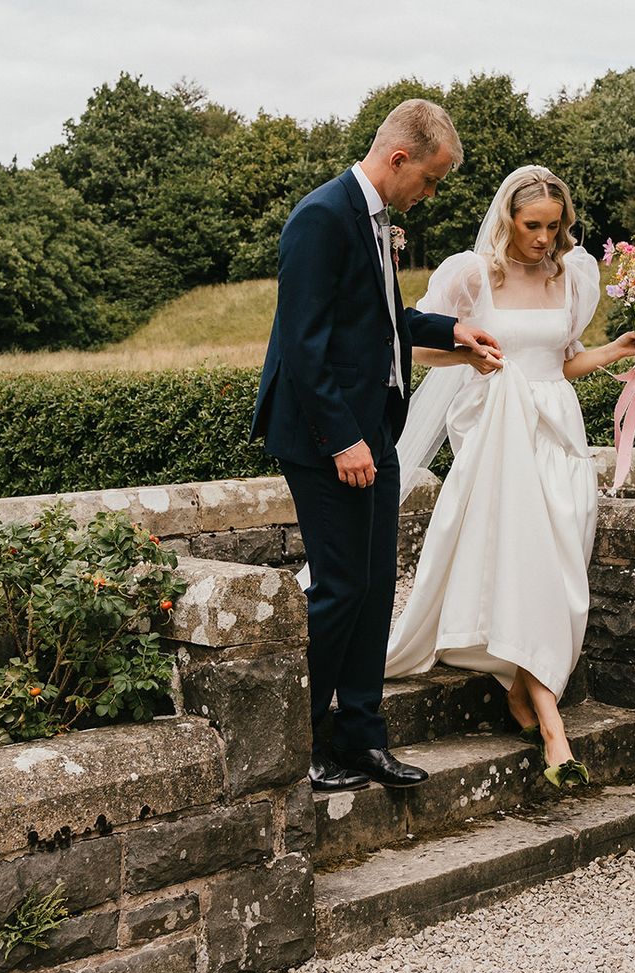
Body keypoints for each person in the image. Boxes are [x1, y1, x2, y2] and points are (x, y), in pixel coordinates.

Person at [250, 100, 501, 793]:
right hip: (326, 438)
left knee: (373, 586)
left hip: (374, 431)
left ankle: (362, 738)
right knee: (338, 589)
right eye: (430, 179)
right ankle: (301, 744)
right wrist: (342, 441)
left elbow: (385, 320)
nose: (431, 194)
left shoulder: (375, 220)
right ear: (398, 158)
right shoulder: (321, 217)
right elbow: (302, 346)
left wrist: (452, 331)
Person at [384, 166, 635, 788]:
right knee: (530, 564)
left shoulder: (571, 275)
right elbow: (414, 345)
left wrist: (617, 351)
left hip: (559, 432)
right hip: (500, 430)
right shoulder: (472, 275)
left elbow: (563, 360)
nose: (544, 238)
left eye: (554, 226)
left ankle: (521, 693)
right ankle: (554, 731)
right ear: (509, 219)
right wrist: (470, 354)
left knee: (564, 565)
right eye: (532, 226)